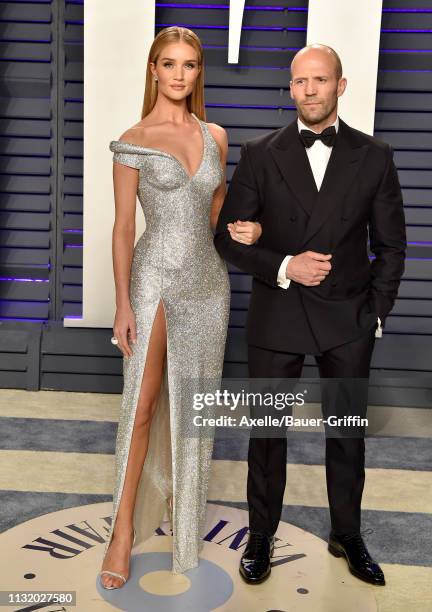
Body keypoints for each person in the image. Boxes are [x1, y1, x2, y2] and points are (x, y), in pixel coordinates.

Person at [214, 43, 406, 587]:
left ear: (340, 86)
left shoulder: (375, 155)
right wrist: (283, 264)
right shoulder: (259, 152)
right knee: (267, 434)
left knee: (346, 434)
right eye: (300, 82)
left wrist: (376, 313)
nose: (309, 90)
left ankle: (347, 533)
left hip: (348, 318)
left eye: (320, 80)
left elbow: (392, 246)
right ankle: (259, 535)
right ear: (291, 87)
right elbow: (226, 239)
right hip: (278, 313)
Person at [98, 26, 261, 589]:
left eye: (189, 65)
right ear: (153, 70)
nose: (179, 74)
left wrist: (254, 236)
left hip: (209, 285)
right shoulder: (134, 139)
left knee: (194, 413)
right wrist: (122, 304)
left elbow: (218, 215)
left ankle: (184, 527)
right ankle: (121, 534)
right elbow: (122, 229)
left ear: (198, 73)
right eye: (169, 64)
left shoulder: (215, 135)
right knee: (140, 409)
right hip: (155, 281)